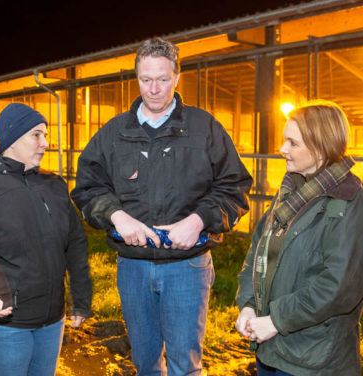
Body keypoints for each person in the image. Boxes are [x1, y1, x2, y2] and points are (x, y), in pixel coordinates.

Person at [71, 37, 253, 375]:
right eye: (146, 79)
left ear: (177, 77)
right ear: (136, 77)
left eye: (163, 79)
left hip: (188, 266)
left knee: (186, 365)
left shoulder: (204, 129)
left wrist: (198, 220)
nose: (154, 89)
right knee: (144, 362)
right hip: (134, 266)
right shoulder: (114, 133)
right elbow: (86, 187)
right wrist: (116, 214)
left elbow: (236, 187)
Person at [235, 101, 363, 376]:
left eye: (293, 143)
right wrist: (247, 305)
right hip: (271, 349)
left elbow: (338, 288)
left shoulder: (353, 205)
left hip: (314, 360)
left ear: (320, 147)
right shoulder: (291, 191)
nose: (282, 149)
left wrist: (276, 321)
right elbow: (259, 250)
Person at [0, 103, 92, 376]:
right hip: (4, 323)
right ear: (12, 139)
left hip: (52, 321)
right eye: (36, 135)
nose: (45, 143)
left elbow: (75, 243)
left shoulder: (54, 185)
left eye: (45, 135)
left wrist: (81, 298)